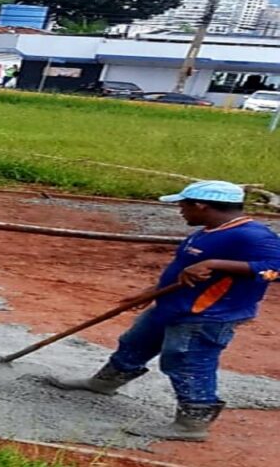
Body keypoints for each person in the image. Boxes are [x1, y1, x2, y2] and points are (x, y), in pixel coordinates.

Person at [47, 181, 280, 442]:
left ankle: (192, 424)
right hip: (171, 303)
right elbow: (183, 267)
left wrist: (216, 264)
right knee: (134, 343)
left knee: (186, 362)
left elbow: (274, 270)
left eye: (183, 205)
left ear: (201, 205)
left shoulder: (253, 236)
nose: (180, 211)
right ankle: (104, 383)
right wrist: (150, 291)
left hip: (207, 314)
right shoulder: (207, 230)